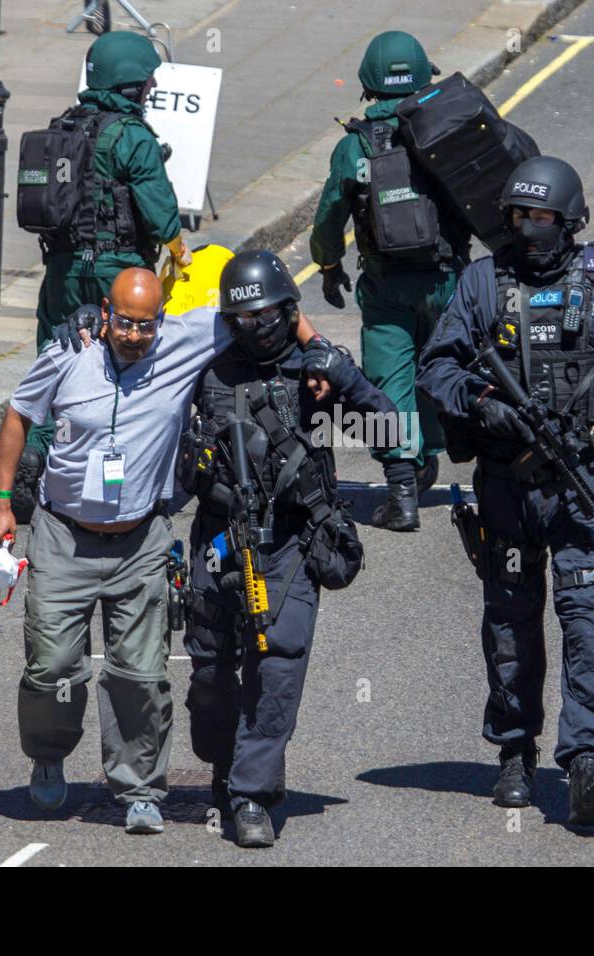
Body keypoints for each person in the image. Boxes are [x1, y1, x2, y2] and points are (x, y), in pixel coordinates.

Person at [0, 266, 321, 835]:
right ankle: (48, 752)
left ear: (161, 319)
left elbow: (266, 300)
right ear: (104, 313)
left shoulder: (183, 341)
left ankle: (139, 787)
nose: (135, 335)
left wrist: (318, 352)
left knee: (140, 674)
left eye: (146, 325)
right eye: (124, 322)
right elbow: (19, 413)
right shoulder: (69, 353)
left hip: (141, 539)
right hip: (63, 533)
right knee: (52, 667)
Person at [417, 156, 594, 825]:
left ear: (568, 221)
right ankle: (514, 751)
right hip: (507, 490)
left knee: (588, 621)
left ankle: (589, 760)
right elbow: (436, 370)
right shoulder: (482, 285)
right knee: (510, 626)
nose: (528, 229)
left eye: (541, 217)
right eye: (518, 217)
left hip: (583, 488)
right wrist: (483, 404)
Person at [177, 250, 398, 847]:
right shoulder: (207, 371)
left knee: (276, 670)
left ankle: (252, 794)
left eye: (269, 315)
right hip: (220, 544)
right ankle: (225, 767)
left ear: (289, 310)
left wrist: (344, 375)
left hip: (292, 545)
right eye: (243, 319)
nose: (257, 328)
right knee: (211, 678)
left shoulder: (317, 373)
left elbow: (391, 430)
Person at [15, 30, 193, 522]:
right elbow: (158, 208)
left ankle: (33, 453)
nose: (152, 91)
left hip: (62, 269)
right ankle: (119, 471)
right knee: (124, 371)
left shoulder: (65, 126)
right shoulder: (132, 135)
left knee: (54, 364)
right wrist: (179, 250)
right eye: (148, 83)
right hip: (116, 271)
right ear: (132, 84)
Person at [310, 30, 469, 531]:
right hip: (450, 279)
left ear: (367, 84)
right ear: (423, 77)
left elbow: (328, 219)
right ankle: (485, 464)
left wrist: (329, 265)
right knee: (457, 367)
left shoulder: (352, 146)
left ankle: (402, 491)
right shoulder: (448, 128)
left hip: (385, 284)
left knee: (387, 384)